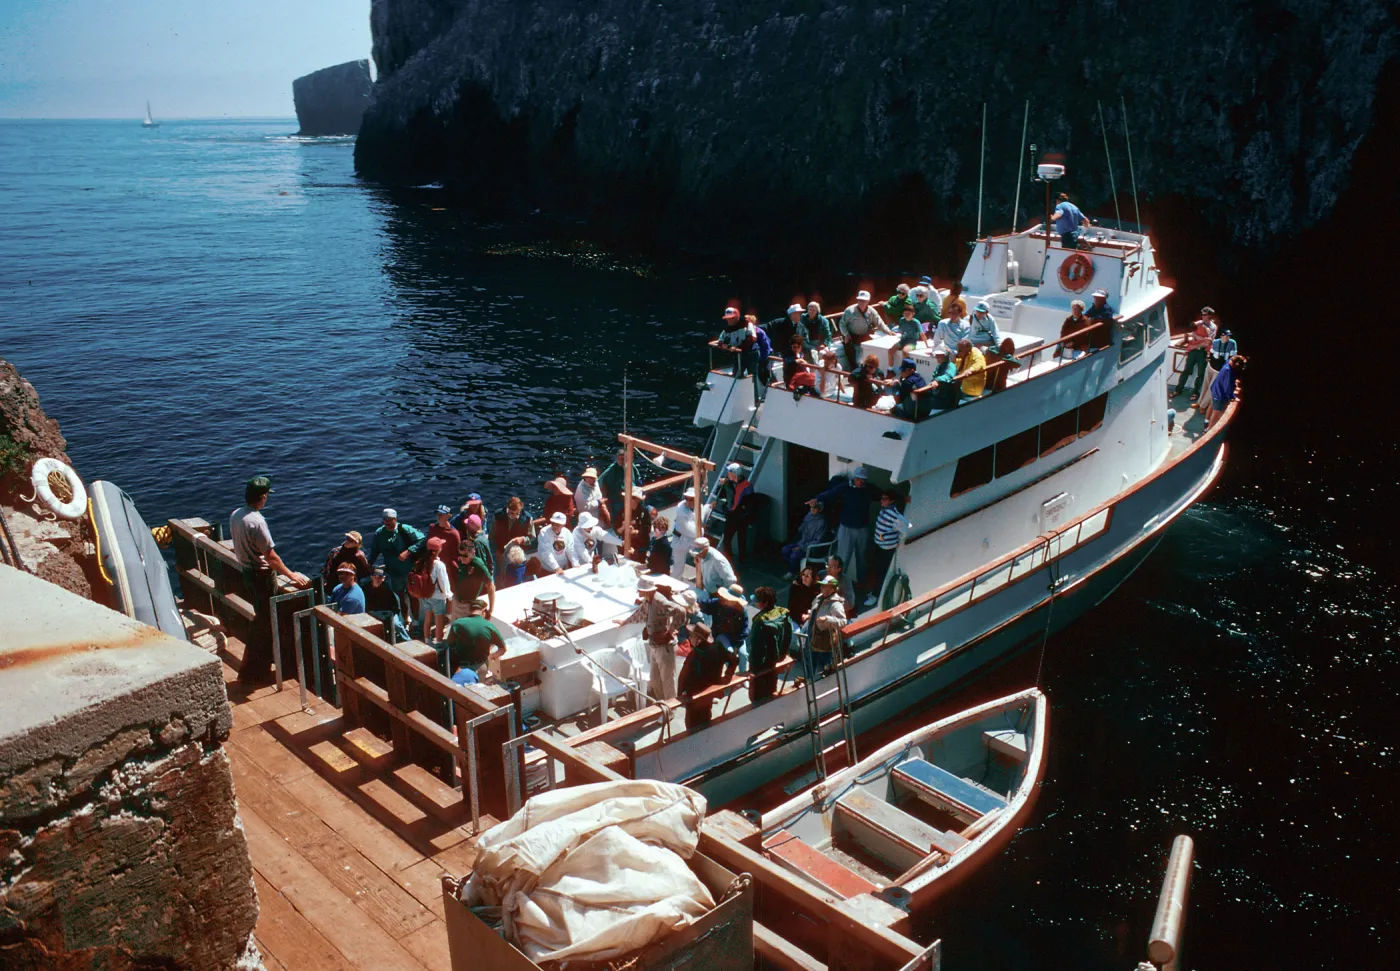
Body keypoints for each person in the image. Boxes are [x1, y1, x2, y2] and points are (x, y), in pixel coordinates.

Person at [229, 475, 309, 685]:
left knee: (262, 619)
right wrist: (291, 575)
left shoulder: (236, 515)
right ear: (263, 496)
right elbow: (271, 556)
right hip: (261, 576)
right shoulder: (257, 522)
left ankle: (256, 670)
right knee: (266, 623)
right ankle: (253, 673)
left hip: (246, 572)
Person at [811, 466, 881, 585]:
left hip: (862, 529)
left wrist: (900, 498)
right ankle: (836, 586)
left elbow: (883, 495)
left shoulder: (869, 489)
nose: (860, 482)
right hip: (846, 529)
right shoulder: (845, 487)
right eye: (858, 479)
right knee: (842, 559)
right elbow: (830, 494)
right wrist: (817, 499)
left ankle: (862, 585)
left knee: (862, 559)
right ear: (854, 478)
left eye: (863, 479)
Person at [625, 575, 688, 700]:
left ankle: (670, 708)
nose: (638, 592)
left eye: (640, 589)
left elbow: (681, 611)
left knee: (668, 682)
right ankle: (662, 704)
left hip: (665, 648)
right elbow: (641, 613)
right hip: (655, 646)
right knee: (654, 679)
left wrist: (671, 630)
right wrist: (625, 622)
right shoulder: (648, 601)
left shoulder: (660, 602)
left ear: (646, 590)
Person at [365, 508, 426, 620]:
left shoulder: (404, 529)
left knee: (413, 596)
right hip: (393, 573)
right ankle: (406, 619)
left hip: (409, 571)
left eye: (389, 519)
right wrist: (369, 563)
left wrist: (408, 551)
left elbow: (422, 539)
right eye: (384, 519)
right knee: (400, 597)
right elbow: (374, 551)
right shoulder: (379, 533)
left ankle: (416, 621)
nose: (386, 522)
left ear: (395, 519)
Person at [677, 621, 737, 732]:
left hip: (694, 699)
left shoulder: (694, 655)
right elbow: (734, 660)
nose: (689, 638)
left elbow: (683, 678)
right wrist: (726, 678)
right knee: (706, 720)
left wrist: (680, 694)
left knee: (692, 727)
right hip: (710, 694)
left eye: (692, 635)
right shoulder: (718, 647)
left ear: (698, 639)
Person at [866, 491, 911, 607]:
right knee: (876, 569)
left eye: (885, 499)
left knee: (881, 572)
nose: (882, 501)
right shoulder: (884, 510)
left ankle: (876, 595)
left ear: (891, 501)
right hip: (879, 546)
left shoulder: (893, 515)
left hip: (887, 549)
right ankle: (874, 592)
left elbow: (906, 527)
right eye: (881, 498)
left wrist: (898, 541)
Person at [747, 586, 791, 703]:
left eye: (757, 601)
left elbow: (757, 649)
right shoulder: (783, 614)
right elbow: (788, 636)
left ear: (765, 603)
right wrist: (782, 654)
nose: (755, 603)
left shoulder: (759, 622)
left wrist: (753, 670)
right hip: (776, 661)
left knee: (757, 697)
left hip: (761, 667)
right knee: (771, 689)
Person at [446, 598, 506, 681]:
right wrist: (492, 656)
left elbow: (449, 644)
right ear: (483, 611)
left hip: (461, 668)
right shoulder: (490, 626)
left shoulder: (458, 624)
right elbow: (503, 649)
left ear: (470, 610)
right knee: (477, 688)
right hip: (480, 667)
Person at [699, 582, 751, 671]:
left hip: (738, 637)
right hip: (722, 634)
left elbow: (744, 630)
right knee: (729, 653)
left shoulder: (742, 612)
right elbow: (702, 604)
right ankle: (729, 674)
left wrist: (737, 646)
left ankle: (743, 674)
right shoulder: (717, 603)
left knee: (743, 654)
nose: (727, 600)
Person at [804, 575, 847, 678]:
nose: (822, 588)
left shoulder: (836, 605)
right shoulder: (819, 598)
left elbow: (843, 621)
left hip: (825, 639)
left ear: (833, 589)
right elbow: (815, 612)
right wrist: (809, 615)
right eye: (822, 586)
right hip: (812, 635)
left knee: (827, 667)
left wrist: (827, 619)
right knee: (809, 662)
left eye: (826, 586)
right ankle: (810, 681)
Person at [838, 290, 892, 369]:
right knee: (853, 359)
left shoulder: (871, 311)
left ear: (868, 301)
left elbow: (879, 323)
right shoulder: (850, 311)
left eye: (863, 300)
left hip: (864, 336)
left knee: (864, 358)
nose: (861, 302)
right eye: (859, 300)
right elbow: (842, 323)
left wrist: (888, 331)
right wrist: (846, 334)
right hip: (851, 337)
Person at [718, 462, 756, 564]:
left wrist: (745, 514)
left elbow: (750, 504)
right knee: (727, 540)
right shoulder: (728, 483)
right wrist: (721, 485)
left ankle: (742, 562)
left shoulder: (747, 486)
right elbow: (721, 495)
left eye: (729, 473)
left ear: (735, 474)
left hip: (741, 517)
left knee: (741, 540)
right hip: (731, 515)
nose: (727, 474)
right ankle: (728, 560)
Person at [670, 487, 711, 580]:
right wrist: (702, 530)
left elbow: (700, 519)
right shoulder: (680, 509)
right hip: (680, 540)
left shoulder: (699, 506)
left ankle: (703, 581)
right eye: (686, 498)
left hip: (693, 539)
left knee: (703, 559)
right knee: (678, 567)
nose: (688, 501)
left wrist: (709, 507)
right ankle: (674, 583)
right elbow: (689, 530)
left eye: (691, 499)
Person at [418, 536, 453, 642]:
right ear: (438, 550)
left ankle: (427, 641)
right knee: (439, 621)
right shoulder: (439, 565)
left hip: (425, 595)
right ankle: (439, 642)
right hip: (437, 597)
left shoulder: (422, 562)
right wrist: (449, 596)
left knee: (427, 619)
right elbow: (443, 582)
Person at [781, 501, 829, 578]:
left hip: (811, 548)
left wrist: (801, 547)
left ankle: (792, 572)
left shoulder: (822, 522)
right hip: (801, 543)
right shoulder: (808, 516)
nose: (812, 509)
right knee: (785, 550)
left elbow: (817, 541)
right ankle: (796, 569)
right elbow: (802, 527)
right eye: (811, 507)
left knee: (794, 555)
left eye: (815, 508)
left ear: (820, 510)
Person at [1174, 312, 1213, 400]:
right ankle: (1178, 389)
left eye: (1205, 315)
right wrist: (1188, 350)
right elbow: (1193, 340)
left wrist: (1208, 354)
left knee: (1200, 374)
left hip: (1202, 353)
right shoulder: (1195, 329)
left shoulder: (1209, 328)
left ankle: (1195, 393)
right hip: (1193, 352)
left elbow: (1209, 342)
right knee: (1186, 371)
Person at [1204, 354, 1246, 429]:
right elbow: (1227, 387)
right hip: (1220, 395)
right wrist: (1233, 397)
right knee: (1216, 413)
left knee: (1212, 405)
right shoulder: (1228, 371)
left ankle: (1206, 422)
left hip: (1215, 390)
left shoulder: (1227, 362)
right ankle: (1208, 429)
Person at [597, 451, 641, 522]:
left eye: (623, 459)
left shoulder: (631, 466)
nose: (621, 461)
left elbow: (637, 478)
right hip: (617, 497)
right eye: (619, 459)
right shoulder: (612, 469)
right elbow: (600, 481)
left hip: (630, 495)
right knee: (618, 516)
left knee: (632, 513)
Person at [451, 552, 496, 620]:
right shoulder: (461, 562)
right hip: (456, 603)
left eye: (465, 555)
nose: (462, 557)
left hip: (467, 606)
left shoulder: (478, 564)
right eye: (460, 555)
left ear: (473, 552)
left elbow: (491, 586)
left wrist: (491, 610)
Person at [492, 496, 536, 564]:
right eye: (512, 513)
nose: (515, 516)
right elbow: (492, 535)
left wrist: (522, 539)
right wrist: (496, 551)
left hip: (518, 553)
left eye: (517, 513)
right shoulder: (497, 515)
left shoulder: (528, 518)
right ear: (508, 508)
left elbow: (532, 537)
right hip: (501, 552)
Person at [426, 505, 462, 569]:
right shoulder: (432, 528)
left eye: (441, 515)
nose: (439, 517)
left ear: (448, 516)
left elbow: (459, 551)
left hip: (449, 567)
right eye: (438, 514)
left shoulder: (453, 533)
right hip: (434, 564)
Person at [926, 344, 960, 411]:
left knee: (924, 403)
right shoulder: (939, 367)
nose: (937, 357)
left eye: (939, 355)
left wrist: (937, 380)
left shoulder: (951, 366)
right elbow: (934, 376)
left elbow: (948, 376)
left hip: (947, 399)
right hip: (938, 395)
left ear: (945, 355)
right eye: (936, 355)